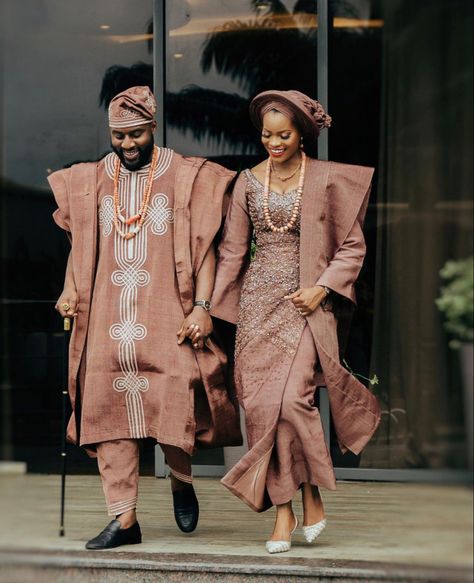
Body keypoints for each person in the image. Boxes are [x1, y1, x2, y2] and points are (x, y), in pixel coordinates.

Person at [49, 86, 241, 550]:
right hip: (106, 318)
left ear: (152, 127)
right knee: (107, 407)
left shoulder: (187, 176)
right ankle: (125, 520)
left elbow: (206, 247)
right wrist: (70, 288)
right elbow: (79, 245)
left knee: (174, 395)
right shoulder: (91, 179)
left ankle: (180, 479)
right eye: (118, 136)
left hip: (167, 311)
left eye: (135, 134)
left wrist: (203, 307)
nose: (127, 144)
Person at [211, 90, 381, 554]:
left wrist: (321, 288)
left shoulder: (324, 179)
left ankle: (295, 505)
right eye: (267, 135)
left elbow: (352, 247)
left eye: (283, 134)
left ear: (301, 134)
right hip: (258, 306)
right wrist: (208, 308)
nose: (274, 142)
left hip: (307, 305)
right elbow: (232, 252)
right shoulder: (247, 182)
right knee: (264, 407)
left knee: (292, 402)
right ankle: (297, 502)